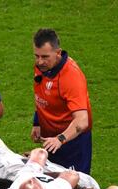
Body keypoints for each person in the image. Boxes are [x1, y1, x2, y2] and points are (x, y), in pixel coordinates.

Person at [30, 28, 92, 174]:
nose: (39, 62)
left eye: (44, 57)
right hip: (50, 141)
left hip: (71, 143)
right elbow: (42, 93)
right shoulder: (44, 66)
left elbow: (82, 121)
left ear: (58, 53)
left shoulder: (71, 77)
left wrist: (60, 139)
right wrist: (37, 121)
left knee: (74, 188)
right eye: (36, 56)